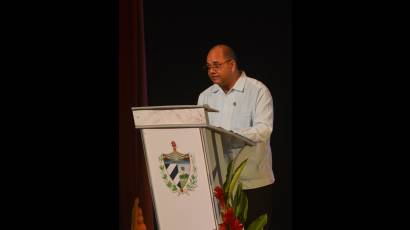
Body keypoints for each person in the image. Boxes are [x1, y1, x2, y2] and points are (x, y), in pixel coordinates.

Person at [197, 44, 275, 229]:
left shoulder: (258, 90)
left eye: (216, 65)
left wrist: (230, 135)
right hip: (219, 184)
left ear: (231, 64)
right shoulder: (205, 96)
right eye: (208, 67)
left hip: (253, 181)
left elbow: (264, 129)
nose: (212, 71)